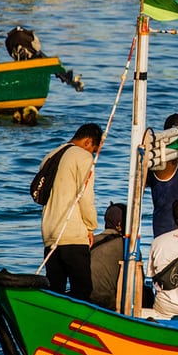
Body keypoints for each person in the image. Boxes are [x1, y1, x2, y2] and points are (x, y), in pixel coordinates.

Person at [41, 122, 103, 300]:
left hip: (49, 233)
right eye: (93, 149)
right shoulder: (83, 156)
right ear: (88, 142)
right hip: (72, 233)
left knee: (55, 291)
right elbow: (85, 196)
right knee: (83, 290)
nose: (92, 154)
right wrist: (91, 226)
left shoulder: (51, 156)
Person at [89, 202, 126, 310]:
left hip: (87, 297)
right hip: (107, 301)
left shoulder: (90, 242)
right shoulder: (126, 246)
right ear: (120, 225)